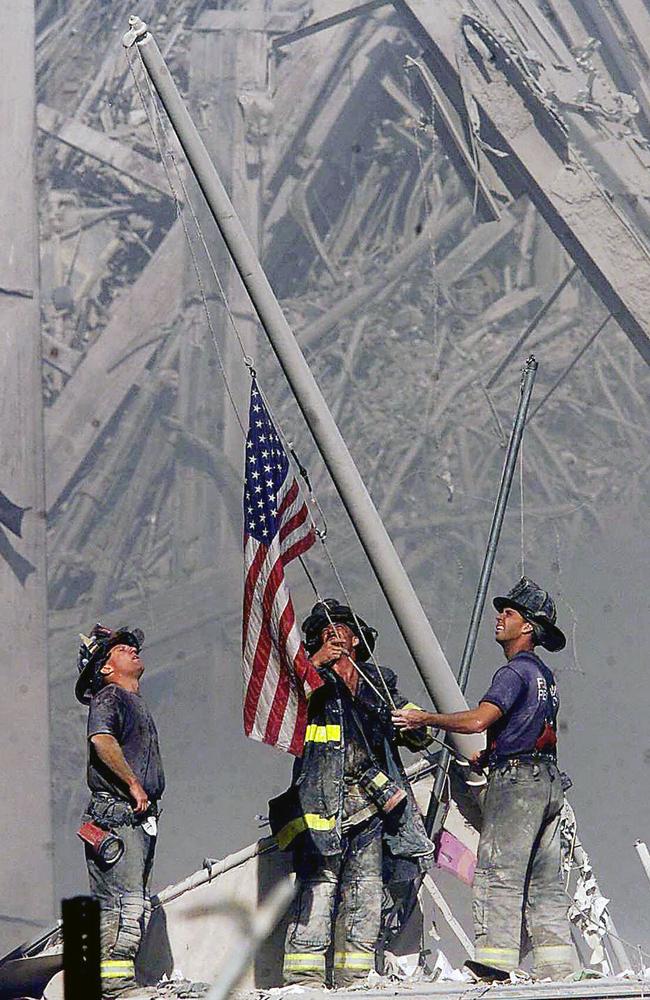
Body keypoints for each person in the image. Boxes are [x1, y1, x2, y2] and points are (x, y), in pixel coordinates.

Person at [393, 577, 575, 982]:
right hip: (547, 782)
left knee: (498, 873)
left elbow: (478, 720)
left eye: (508, 613)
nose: (499, 617)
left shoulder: (513, 673)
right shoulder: (544, 675)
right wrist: (491, 754)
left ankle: (495, 963)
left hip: (517, 786)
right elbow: (530, 727)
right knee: (543, 880)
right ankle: (559, 967)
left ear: (527, 626)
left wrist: (424, 718)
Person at [269, 598, 435, 988]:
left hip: (372, 805)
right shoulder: (307, 682)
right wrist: (315, 665)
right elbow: (284, 707)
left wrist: (414, 724)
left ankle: (354, 975)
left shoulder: (379, 684)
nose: (332, 633)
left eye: (340, 627)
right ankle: (304, 977)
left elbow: (420, 733)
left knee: (366, 890)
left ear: (358, 639)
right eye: (323, 631)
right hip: (321, 801)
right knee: (319, 887)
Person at [75, 623, 165, 999]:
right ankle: (114, 986)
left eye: (131, 646)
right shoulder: (110, 696)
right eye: (121, 648)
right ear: (105, 668)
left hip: (136, 817)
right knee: (122, 904)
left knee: (133, 901)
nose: (132, 649)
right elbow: (102, 741)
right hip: (117, 814)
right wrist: (131, 782)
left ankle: (119, 981)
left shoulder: (132, 701)